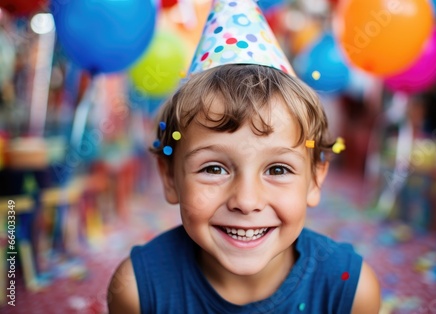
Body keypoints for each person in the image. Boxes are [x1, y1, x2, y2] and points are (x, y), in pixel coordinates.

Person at [107, 1, 380, 313]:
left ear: (315, 178)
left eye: (277, 169)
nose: (247, 201)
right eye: (213, 168)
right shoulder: (138, 292)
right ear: (170, 177)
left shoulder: (350, 291)